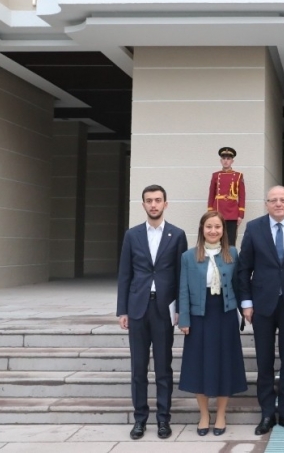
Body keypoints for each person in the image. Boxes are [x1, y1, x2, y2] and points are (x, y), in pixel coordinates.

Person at [237, 186, 284, 436]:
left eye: (283, 200)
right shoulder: (254, 227)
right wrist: (246, 303)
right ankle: (267, 412)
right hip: (262, 304)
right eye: (274, 200)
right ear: (266, 203)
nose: (279, 204)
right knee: (264, 360)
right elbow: (243, 269)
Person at [117, 185, 188, 440]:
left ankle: (163, 420)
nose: (154, 204)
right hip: (137, 307)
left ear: (165, 204)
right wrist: (122, 309)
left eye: (158, 200)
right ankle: (139, 419)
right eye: (149, 201)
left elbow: (182, 276)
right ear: (143, 204)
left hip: (163, 308)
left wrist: (181, 308)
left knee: (163, 367)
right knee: (138, 367)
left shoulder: (177, 235)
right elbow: (125, 274)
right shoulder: (132, 235)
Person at [178, 210, 247, 436]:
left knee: (225, 363)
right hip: (199, 316)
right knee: (199, 363)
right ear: (202, 230)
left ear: (223, 231)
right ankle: (204, 414)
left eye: (217, 227)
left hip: (225, 314)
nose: (213, 231)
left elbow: (240, 284)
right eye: (209, 227)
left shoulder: (233, 254)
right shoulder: (189, 256)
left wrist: (244, 310)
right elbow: (184, 290)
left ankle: (220, 415)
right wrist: (184, 319)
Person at [207, 146, 246, 246]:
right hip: (218, 210)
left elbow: (242, 195)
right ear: (221, 160)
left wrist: (240, 214)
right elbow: (211, 194)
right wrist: (210, 211)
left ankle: (230, 259)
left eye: (228, 159)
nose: (226, 161)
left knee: (230, 240)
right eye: (224, 158)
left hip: (232, 212)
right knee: (216, 238)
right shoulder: (216, 175)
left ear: (232, 161)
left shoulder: (238, 175)